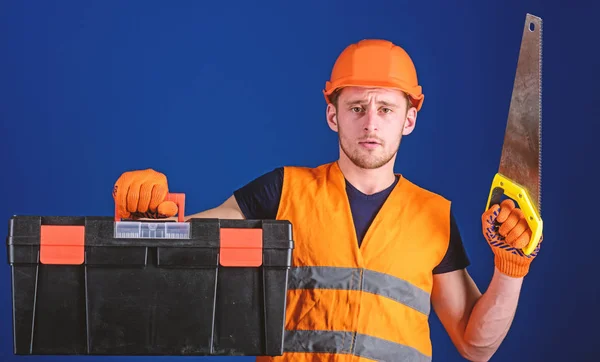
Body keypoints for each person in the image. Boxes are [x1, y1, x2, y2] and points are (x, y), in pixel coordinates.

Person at [112, 39, 542, 362]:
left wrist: (511, 269)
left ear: (409, 119)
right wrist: (146, 214)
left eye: (386, 109)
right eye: (356, 107)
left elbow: (475, 344)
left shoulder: (433, 215)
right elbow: (186, 243)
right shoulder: (283, 191)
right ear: (332, 114)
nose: (370, 123)